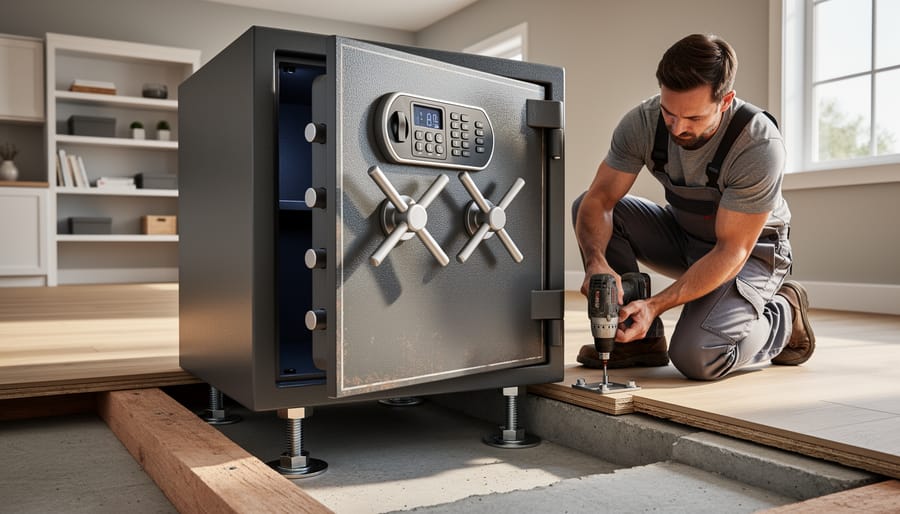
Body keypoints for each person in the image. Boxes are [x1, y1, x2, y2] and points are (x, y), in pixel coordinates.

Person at [572, 33, 815, 380]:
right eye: (670, 113)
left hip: (751, 252)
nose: (678, 127)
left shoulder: (758, 144)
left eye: (694, 118)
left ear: (725, 100)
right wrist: (596, 261)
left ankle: (783, 315)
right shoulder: (642, 122)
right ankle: (638, 342)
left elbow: (732, 250)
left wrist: (655, 305)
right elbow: (599, 200)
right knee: (587, 204)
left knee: (698, 356)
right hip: (686, 236)